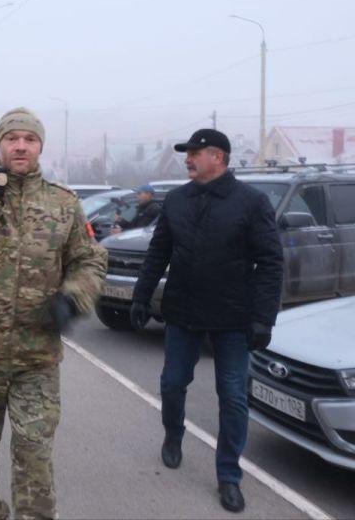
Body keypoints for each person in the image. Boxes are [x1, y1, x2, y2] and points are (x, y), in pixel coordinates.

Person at [0, 107, 107, 520]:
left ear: (40, 145)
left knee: (34, 450)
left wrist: (73, 297)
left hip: (36, 359)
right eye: (13, 138)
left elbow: (90, 260)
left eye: (30, 139)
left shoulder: (63, 204)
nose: (21, 146)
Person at [130, 128, 283, 514]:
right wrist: (141, 296)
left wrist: (264, 318)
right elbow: (158, 250)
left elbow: (269, 262)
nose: (187, 159)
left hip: (232, 320)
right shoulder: (178, 199)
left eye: (194, 152)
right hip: (182, 313)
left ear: (218, 157)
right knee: (172, 384)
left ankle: (229, 475)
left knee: (232, 398)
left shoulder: (251, 202)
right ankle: (173, 436)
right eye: (187, 153)